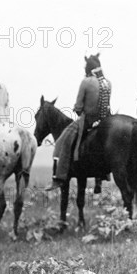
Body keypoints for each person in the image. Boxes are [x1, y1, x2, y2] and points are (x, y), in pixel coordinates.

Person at [45, 54, 111, 191]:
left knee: (61, 142)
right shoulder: (107, 83)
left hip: (88, 120)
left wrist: (79, 111)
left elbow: (78, 107)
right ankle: (103, 176)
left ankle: (58, 178)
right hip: (105, 120)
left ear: (88, 68)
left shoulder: (86, 82)